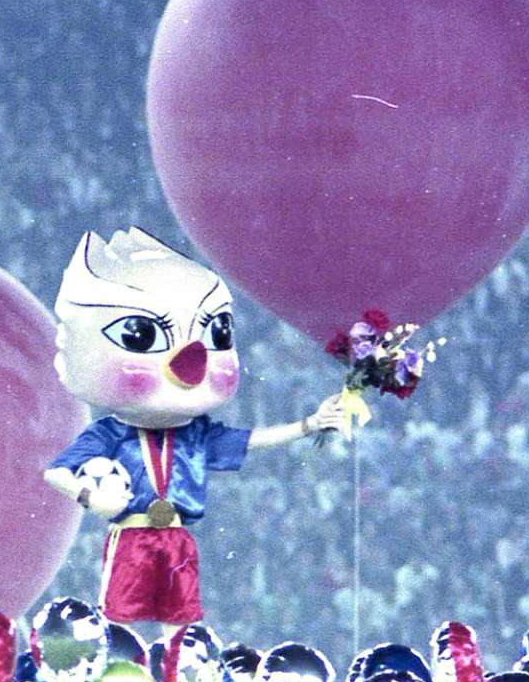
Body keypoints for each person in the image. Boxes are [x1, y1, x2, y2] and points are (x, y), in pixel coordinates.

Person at [41, 227, 349, 634]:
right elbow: (56, 472)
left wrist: (309, 424)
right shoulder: (109, 434)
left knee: (182, 625)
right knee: (120, 624)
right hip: (131, 535)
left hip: (177, 536)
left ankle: (176, 673)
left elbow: (251, 440)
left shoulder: (197, 433)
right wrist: (91, 497)